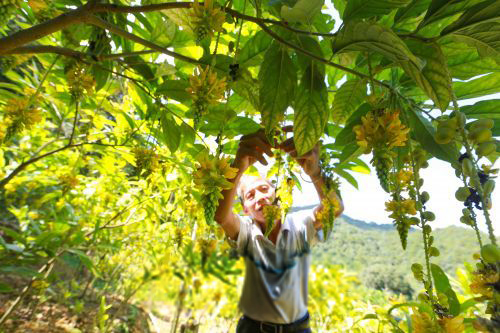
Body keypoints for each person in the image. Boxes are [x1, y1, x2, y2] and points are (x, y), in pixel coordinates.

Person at [215, 128, 344, 333]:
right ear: (246, 210)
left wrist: (315, 172)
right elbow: (221, 216)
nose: (260, 197)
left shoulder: (299, 224)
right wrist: (237, 167)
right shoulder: (247, 233)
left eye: (264, 189)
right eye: (250, 196)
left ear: (277, 194)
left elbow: (334, 209)